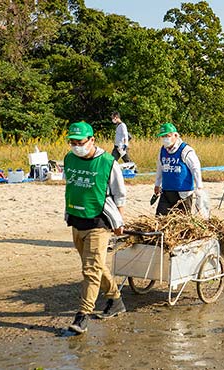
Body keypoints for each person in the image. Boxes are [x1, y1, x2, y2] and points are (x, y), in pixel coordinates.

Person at [63, 122, 126, 334]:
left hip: (99, 221)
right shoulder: (69, 159)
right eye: (72, 142)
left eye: (80, 142)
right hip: (76, 219)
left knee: (90, 270)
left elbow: (119, 194)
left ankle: (82, 316)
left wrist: (119, 222)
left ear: (92, 140)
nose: (76, 146)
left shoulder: (108, 162)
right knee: (95, 265)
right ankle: (115, 299)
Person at [154, 122, 204, 215]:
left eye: (167, 136)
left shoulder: (185, 150)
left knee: (182, 222)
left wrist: (199, 186)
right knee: (160, 217)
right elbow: (160, 168)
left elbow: (195, 168)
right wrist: (157, 184)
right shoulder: (162, 150)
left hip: (183, 193)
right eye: (163, 136)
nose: (165, 139)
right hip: (166, 191)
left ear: (175, 135)